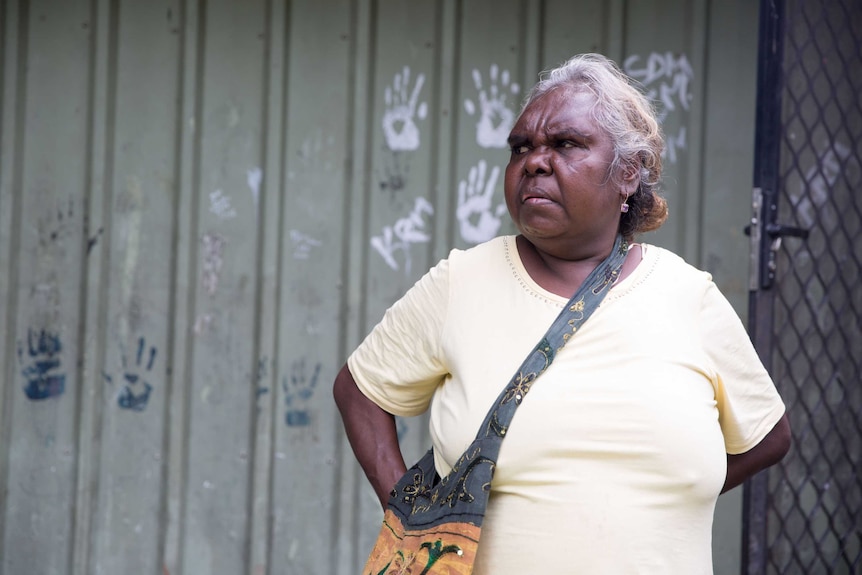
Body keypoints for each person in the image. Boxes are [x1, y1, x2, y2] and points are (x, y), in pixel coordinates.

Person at [334, 53, 791, 573]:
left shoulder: (689, 297)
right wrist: (413, 521)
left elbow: (768, 435)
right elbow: (360, 389)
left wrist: (660, 495)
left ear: (628, 174)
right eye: (520, 147)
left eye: (566, 144)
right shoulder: (461, 282)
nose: (534, 161)